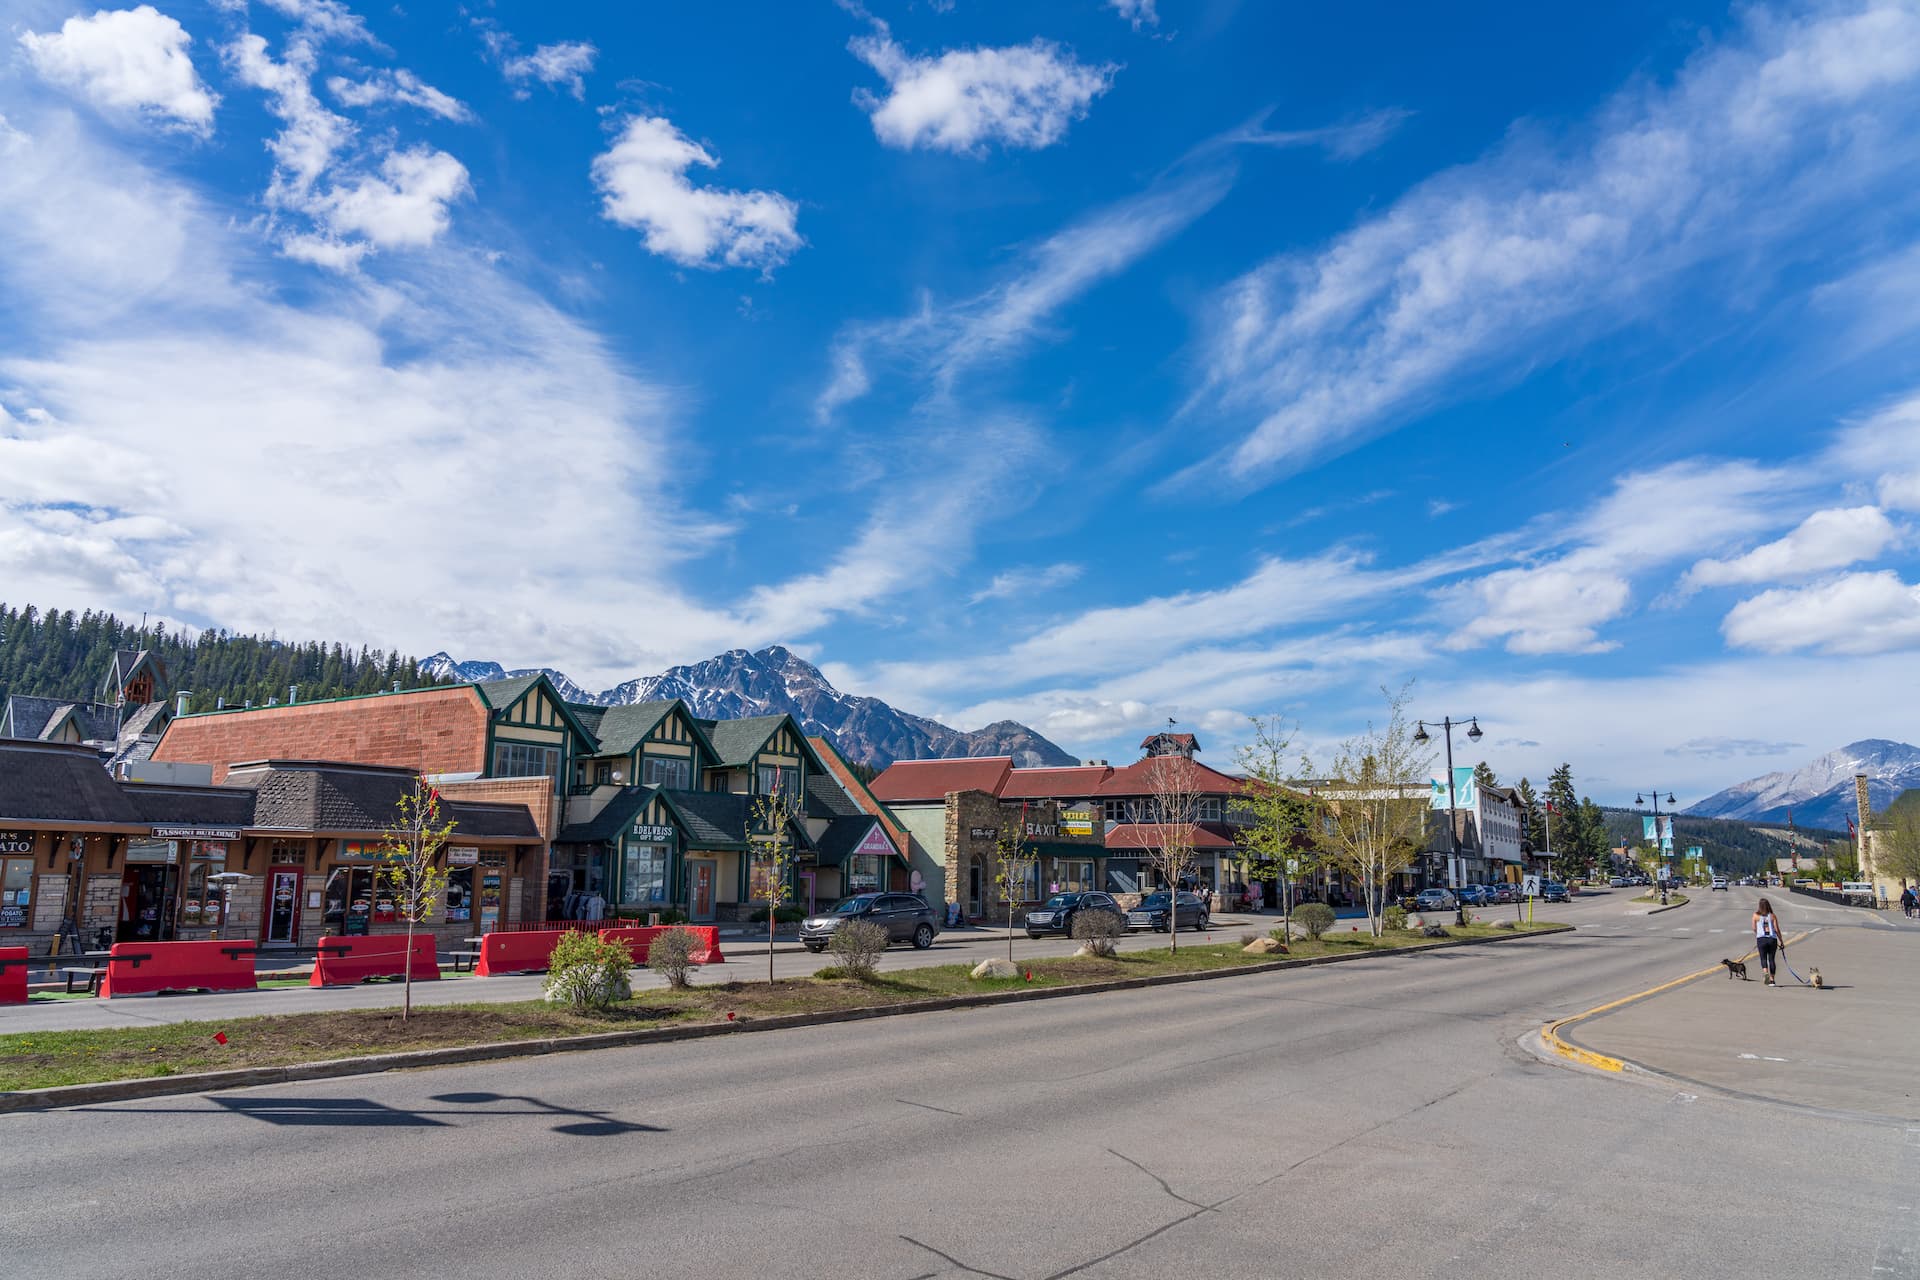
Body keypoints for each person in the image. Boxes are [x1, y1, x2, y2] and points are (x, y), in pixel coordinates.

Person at [1753, 897, 1783, 986]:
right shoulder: (1772, 916)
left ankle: (1765, 972)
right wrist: (1781, 941)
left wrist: (1758, 935)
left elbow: (1754, 928)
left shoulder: (1755, 915)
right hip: (1772, 939)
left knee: (1763, 958)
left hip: (1761, 939)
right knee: (1771, 959)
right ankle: (1772, 980)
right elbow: (1777, 930)